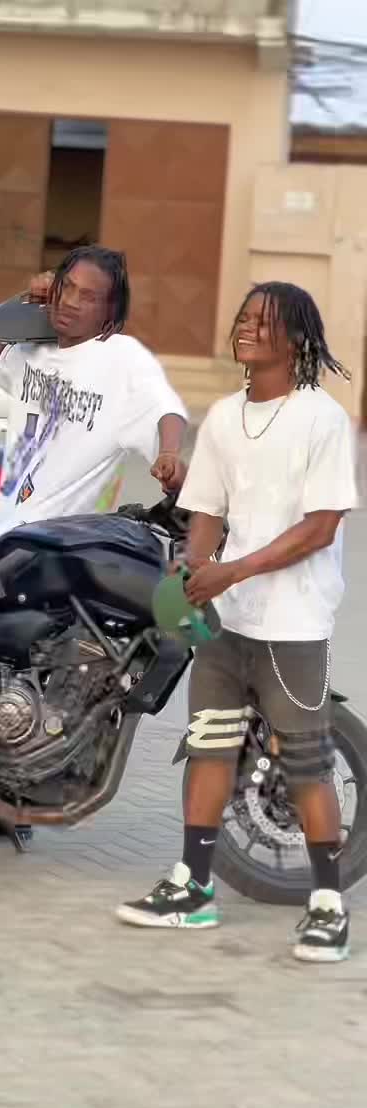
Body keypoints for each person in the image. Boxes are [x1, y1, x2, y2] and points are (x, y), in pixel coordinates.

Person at [0, 244, 189, 845]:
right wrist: (27, 301)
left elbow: (166, 409)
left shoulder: (120, 359)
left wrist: (170, 454)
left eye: (89, 297)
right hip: (11, 531)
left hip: (57, 542)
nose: (73, 303)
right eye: (67, 289)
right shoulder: (38, 347)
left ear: (111, 311)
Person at [117, 281, 357, 963]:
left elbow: (321, 526)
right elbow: (207, 510)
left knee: (305, 762)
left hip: (293, 622)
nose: (247, 327)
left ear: (298, 339)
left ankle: (328, 904)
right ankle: (194, 887)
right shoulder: (224, 417)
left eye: (264, 321)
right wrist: (195, 569)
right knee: (210, 746)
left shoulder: (323, 419)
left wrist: (233, 570)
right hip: (227, 621)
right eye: (244, 317)